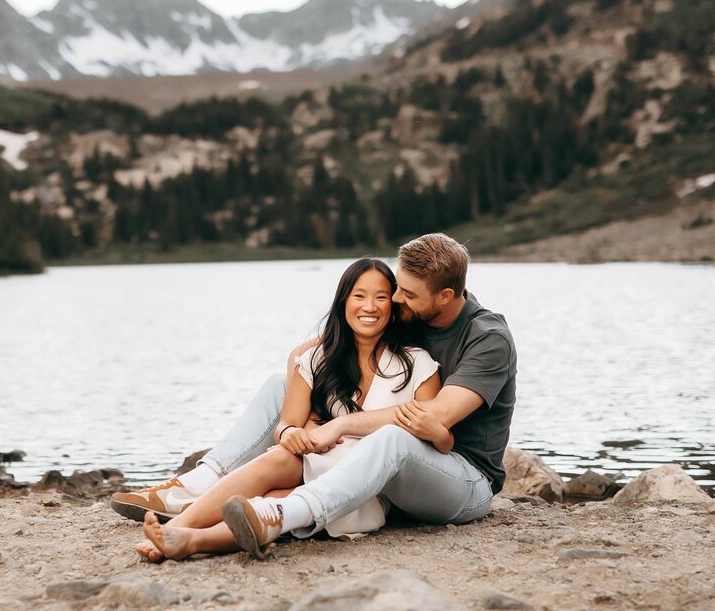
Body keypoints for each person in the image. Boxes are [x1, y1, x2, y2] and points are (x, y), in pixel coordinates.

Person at [112, 233, 517, 559]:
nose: (394, 300)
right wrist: (300, 418)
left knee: (391, 439)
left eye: (404, 294)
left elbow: (434, 420)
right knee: (279, 385)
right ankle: (196, 489)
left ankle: (278, 513)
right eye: (396, 289)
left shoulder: (486, 339)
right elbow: (315, 350)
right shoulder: (412, 312)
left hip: (461, 477)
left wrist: (338, 424)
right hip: (380, 466)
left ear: (444, 297)